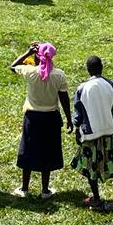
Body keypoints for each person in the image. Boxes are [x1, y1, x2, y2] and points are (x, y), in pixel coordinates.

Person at [11, 42, 71, 199]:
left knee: (28, 150)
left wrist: (27, 52)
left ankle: (24, 188)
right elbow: (64, 99)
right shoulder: (59, 75)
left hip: (32, 117)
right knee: (48, 152)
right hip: (51, 117)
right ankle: (45, 190)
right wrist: (69, 119)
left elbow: (13, 66)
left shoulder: (30, 72)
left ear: (37, 58)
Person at [72, 55, 113, 211]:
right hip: (109, 132)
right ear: (101, 68)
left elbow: (78, 113)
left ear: (88, 70)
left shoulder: (81, 88)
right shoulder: (112, 86)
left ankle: (96, 197)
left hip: (90, 135)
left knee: (91, 166)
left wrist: (77, 129)